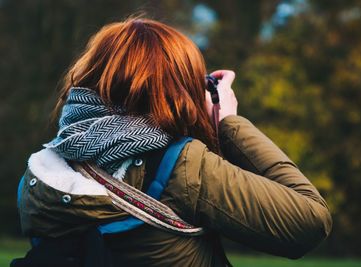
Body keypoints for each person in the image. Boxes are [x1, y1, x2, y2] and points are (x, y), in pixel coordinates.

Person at [15, 16, 332, 267]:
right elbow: (310, 222)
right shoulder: (182, 166)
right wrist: (228, 122)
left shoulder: (46, 168)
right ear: (180, 88)